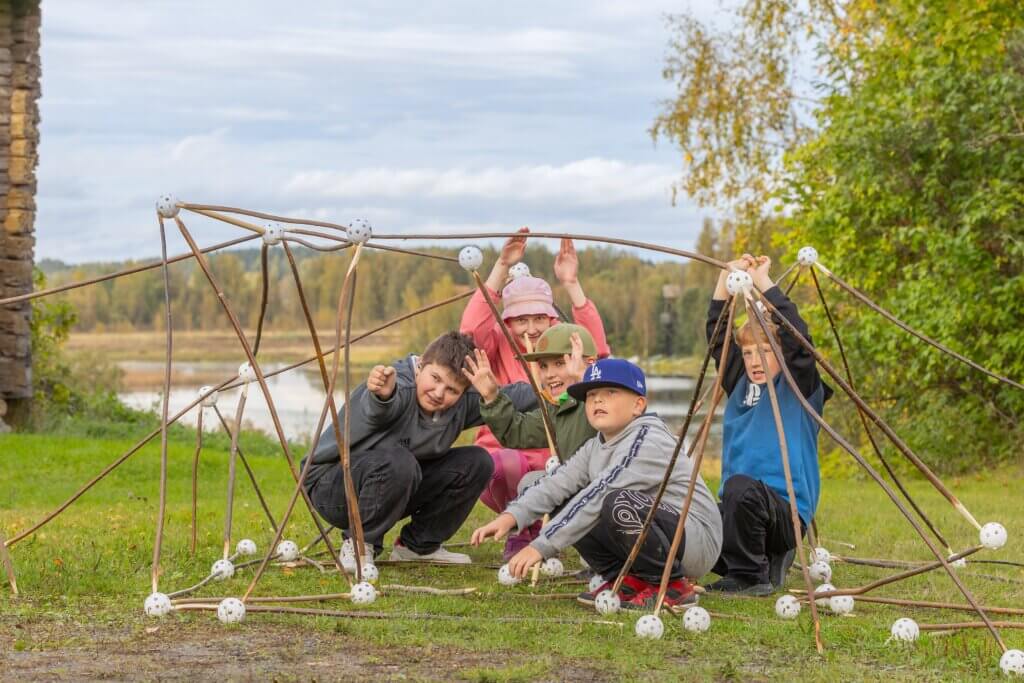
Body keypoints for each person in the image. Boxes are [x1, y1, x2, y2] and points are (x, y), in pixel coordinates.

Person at [470, 358, 723, 609]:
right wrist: (511, 516)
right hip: (656, 530)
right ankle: (625, 579)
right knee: (567, 495)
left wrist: (541, 546)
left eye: (610, 392)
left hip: (695, 539)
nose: (597, 400)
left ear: (638, 404)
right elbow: (556, 483)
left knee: (616, 501)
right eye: (591, 395)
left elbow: (602, 492)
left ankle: (671, 586)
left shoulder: (648, 439)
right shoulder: (597, 444)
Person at [301, 331, 536, 565]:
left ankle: (418, 546)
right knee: (400, 462)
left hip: (394, 482)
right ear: (421, 365)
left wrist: (558, 383)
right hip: (331, 485)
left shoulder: (461, 401)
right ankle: (359, 546)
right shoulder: (398, 385)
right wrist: (382, 397)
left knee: (478, 462)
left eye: (452, 390)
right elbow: (379, 408)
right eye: (435, 378)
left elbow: (514, 396)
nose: (439, 393)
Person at [460, 228, 611, 558]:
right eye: (520, 320)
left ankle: (551, 532)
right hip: (505, 450)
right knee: (506, 466)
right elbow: (468, 334)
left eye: (539, 318)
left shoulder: (560, 349)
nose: (530, 328)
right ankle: (522, 529)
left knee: (563, 469)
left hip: (555, 450)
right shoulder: (496, 345)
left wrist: (571, 284)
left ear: (552, 318)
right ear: (507, 323)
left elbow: (596, 354)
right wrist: (501, 267)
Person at [704, 254, 832, 596]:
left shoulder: (799, 386)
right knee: (693, 520)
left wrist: (762, 282)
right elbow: (718, 339)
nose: (754, 361)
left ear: (783, 355)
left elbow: (798, 339)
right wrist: (723, 282)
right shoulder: (739, 383)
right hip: (737, 509)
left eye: (765, 352)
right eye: (748, 353)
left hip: (783, 514)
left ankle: (751, 575)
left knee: (741, 489)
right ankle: (757, 559)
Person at [461, 324, 598, 559]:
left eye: (560, 363)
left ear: (590, 363)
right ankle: (594, 558)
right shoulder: (557, 408)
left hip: (611, 492)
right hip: (577, 489)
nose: (550, 374)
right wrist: (492, 397)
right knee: (532, 483)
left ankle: (609, 561)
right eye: (543, 366)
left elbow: (613, 425)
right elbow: (516, 431)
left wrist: (584, 383)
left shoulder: (605, 397)